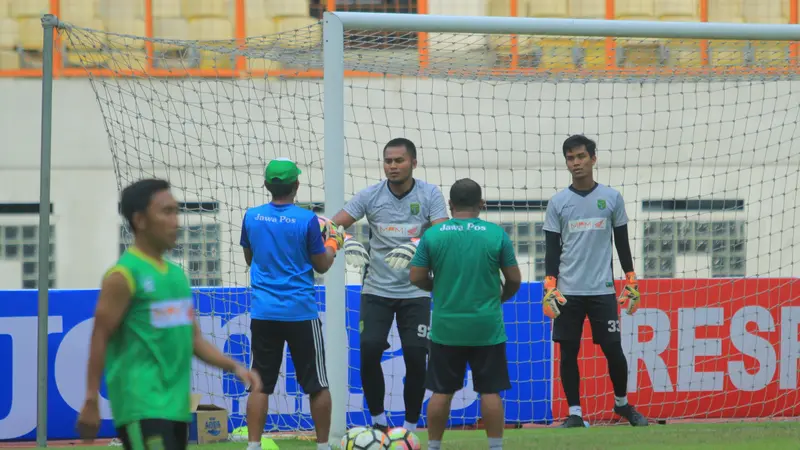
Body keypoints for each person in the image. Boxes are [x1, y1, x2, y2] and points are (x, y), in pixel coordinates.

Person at [76, 178, 262, 450]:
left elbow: (194, 340)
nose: (176, 220)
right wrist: (91, 399)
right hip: (141, 407)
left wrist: (234, 367)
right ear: (140, 220)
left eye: (176, 211)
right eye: (166, 211)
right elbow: (99, 336)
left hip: (176, 408)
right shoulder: (123, 275)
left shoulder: (176, 276)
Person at [329, 138, 449, 432]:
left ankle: (409, 425)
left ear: (413, 163)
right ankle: (378, 422)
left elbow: (443, 233)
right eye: (388, 161)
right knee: (369, 350)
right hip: (376, 290)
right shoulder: (370, 196)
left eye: (399, 161)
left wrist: (416, 246)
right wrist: (345, 240)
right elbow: (329, 225)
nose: (393, 166)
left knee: (415, 356)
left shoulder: (429, 194)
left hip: (416, 290)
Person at [542, 134, 648, 428]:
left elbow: (622, 243)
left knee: (614, 349)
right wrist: (550, 284)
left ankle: (622, 405)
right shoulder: (558, 202)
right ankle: (575, 413)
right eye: (570, 158)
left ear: (593, 158)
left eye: (581, 157)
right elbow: (552, 248)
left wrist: (631, 279)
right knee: (568, 352)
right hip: (567, 292)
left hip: (602, 290)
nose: (576, 163)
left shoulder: (612, 198)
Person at [409, 178, 521, 450]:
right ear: (481, 204)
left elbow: (416, 276)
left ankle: (434, 446)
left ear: (450, 204)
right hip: (487, 326)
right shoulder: (496, 234)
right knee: (490, 390)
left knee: (441, 391)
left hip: (447, 326)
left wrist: (438, 287)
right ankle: (495, 447)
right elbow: (514, 279)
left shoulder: (433, 235)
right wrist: (499, 298)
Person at [241, 158, 345, 450]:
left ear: (266, 185)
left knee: (259, 382)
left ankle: (253, 446)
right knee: (317, 383)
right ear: (296, 186)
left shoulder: (251, 217)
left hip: (264, 312)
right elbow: (322, 265)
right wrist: (334, 242)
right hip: (300, 311)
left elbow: (250, 259)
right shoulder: (306, 219)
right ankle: (323, 446)